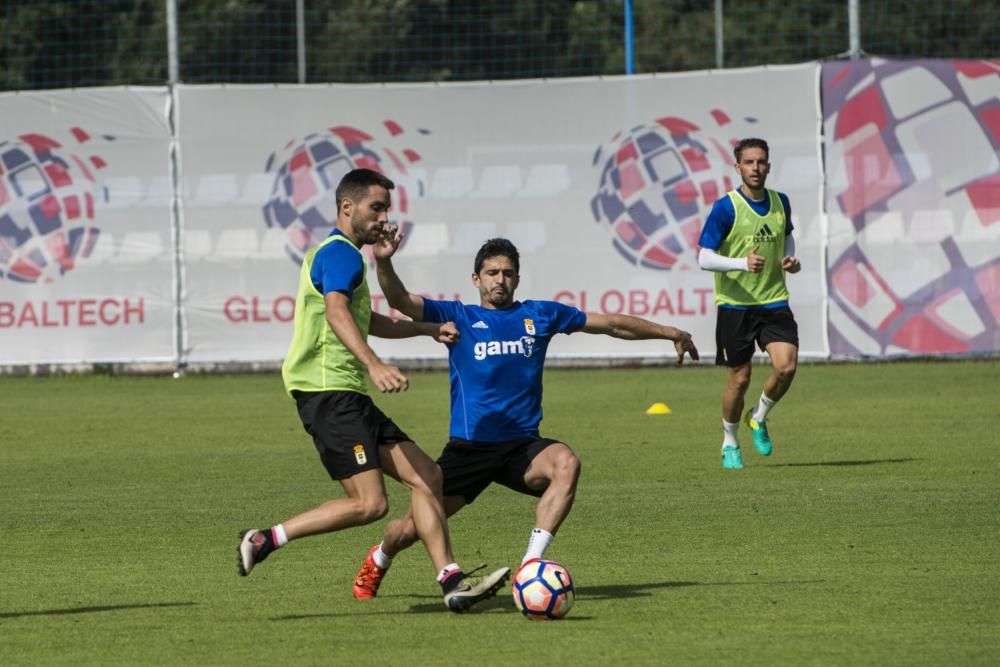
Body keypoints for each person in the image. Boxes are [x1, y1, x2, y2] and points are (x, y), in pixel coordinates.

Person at [350, 236, 699, 599]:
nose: (499, 279)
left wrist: (670, 332)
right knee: (408, 530)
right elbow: (400, 301)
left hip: (522, 447)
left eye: (508, 273)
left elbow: (611, 324)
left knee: (566, 463)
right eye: (492, 273)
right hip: (469, 450)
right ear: (476, 279)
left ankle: (531, 564)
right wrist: (384, 262)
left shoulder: (540, 314)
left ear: (517, 279)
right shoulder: (458, 317)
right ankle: (379, 557)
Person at [236, 168, 510, 612]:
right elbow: (338, 313)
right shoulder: (341, 254)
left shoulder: (348, 257)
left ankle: (452, 580)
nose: (384, 216)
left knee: (428, 476)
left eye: (387, 208)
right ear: (348, 207)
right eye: (376, 207)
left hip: (347, 394)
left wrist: (426, 329)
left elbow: (368, 319)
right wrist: (375, 364)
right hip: (328, 394)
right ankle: (266, 538)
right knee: (370, 505)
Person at [697, 138, 801, 470]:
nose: (756, 168)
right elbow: (704, 258)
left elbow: (786, 235)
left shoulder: (780, 202)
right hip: (735, 306)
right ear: (738, 167)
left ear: (768, 166)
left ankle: (758, 416)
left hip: (773, 301)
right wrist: (741, 264)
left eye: (761, 162)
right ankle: (729, 441)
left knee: (786, 367)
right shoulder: (726, 207)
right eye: (749, 162)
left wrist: (789, 258)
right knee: (739, 380)